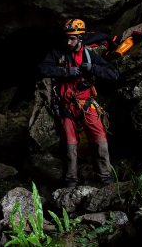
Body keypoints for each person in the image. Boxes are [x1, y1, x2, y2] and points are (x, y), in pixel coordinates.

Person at [38, 18, 120, 187]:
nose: (68, 42)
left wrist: (93, 68)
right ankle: (70, 180)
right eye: (67, 38)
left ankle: (104, 177)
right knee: (70, 143)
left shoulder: (90, 56)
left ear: (81, 38)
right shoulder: (58, 53)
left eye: (72, 38)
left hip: (86, 104)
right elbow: (42, 68)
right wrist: (65, 71)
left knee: (100, 139)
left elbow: (113, 74)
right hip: (66, 106)